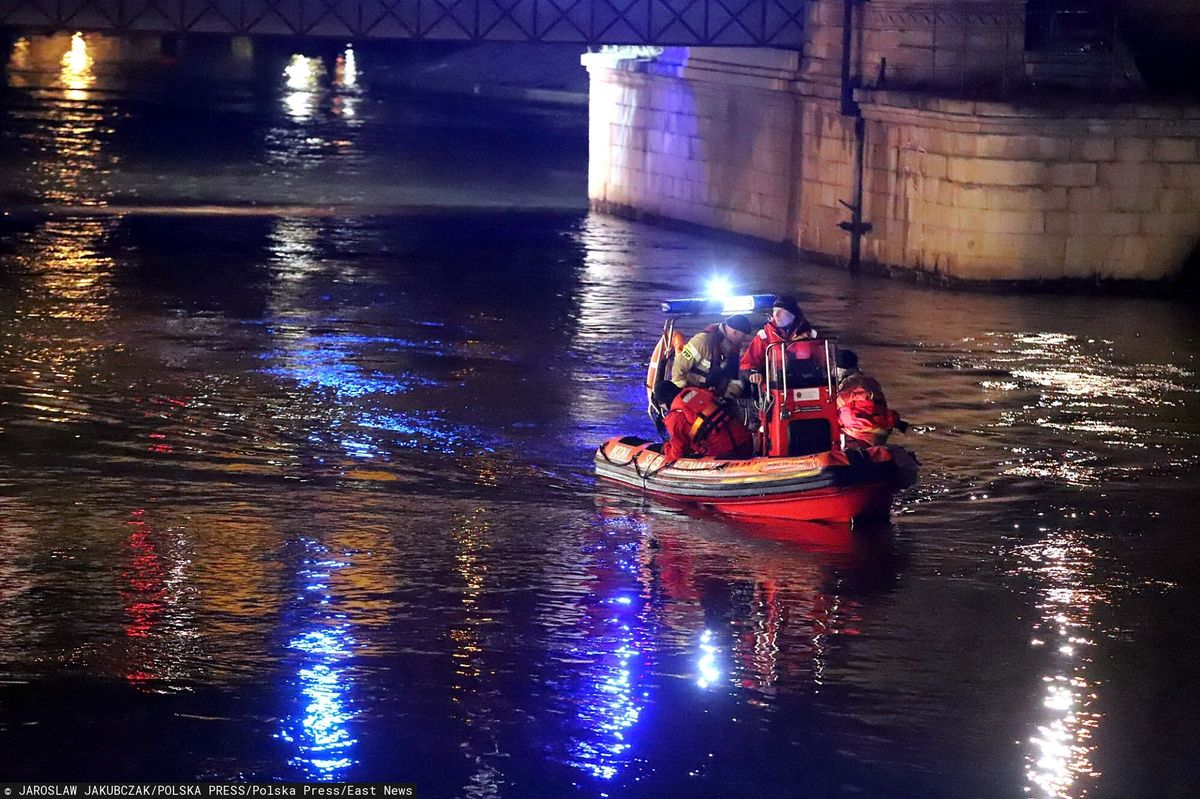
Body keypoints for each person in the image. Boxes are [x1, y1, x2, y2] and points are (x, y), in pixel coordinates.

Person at [652, 380, 754, 461]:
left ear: (664, 403)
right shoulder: (698, 391)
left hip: (723, 454)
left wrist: (665, 449)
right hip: (746, 441)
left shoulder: (675, 415)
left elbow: (678, 452)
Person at [739, 295, 817, 387]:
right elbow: (747, 362)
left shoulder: (809, 335)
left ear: (792, 315)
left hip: (808, 384)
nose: (776, 315)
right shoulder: (765, 336)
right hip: (775, 388)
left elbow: (823, 360)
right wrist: (753, 373)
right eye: (774, 311)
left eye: (781, 311)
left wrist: (834, 369)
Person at [835, 349, 908, 447]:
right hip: (878, 431)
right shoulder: (871, 382)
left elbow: (832, 408)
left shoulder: (847, 388)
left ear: (840, 370)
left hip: (858, 433)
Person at [671, 314, 753, 398]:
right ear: (734, 332)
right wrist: (682, 394)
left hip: (712, 395)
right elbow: (679, 366)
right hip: (691, 392)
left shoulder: (733, 349)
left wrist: (732, 392)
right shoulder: (703, 341)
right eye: (742, 337)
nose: (742, 341)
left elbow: (731, 376)